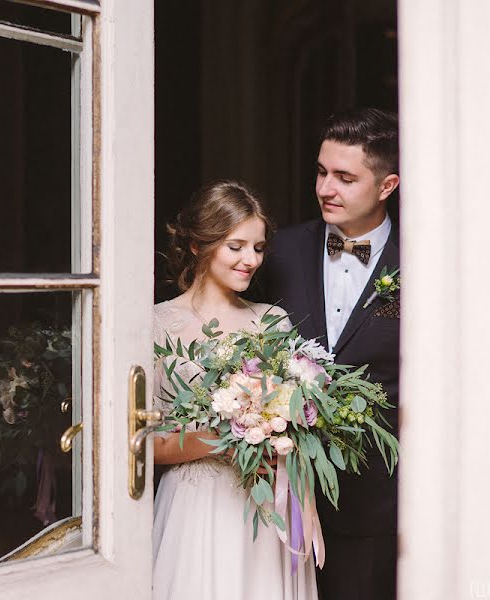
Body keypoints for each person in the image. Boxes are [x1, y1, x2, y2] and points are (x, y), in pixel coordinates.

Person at [152, 180, 318, 600]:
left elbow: (296, 426)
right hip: (196, 507)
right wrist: (227, 437)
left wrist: (281, 430)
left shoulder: (272, 322)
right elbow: (145, 443)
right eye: (236, 246)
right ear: (198, 246)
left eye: (258, 248)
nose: (250, 260)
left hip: (262, 504)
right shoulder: (156, 325)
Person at [260, 108, 401, 600]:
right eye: (322, 172)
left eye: (345, 177)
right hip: (274, 501)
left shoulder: (424, 261)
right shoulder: (277, 254)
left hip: (375, 505)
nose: (325, 188)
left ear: (387, 186)